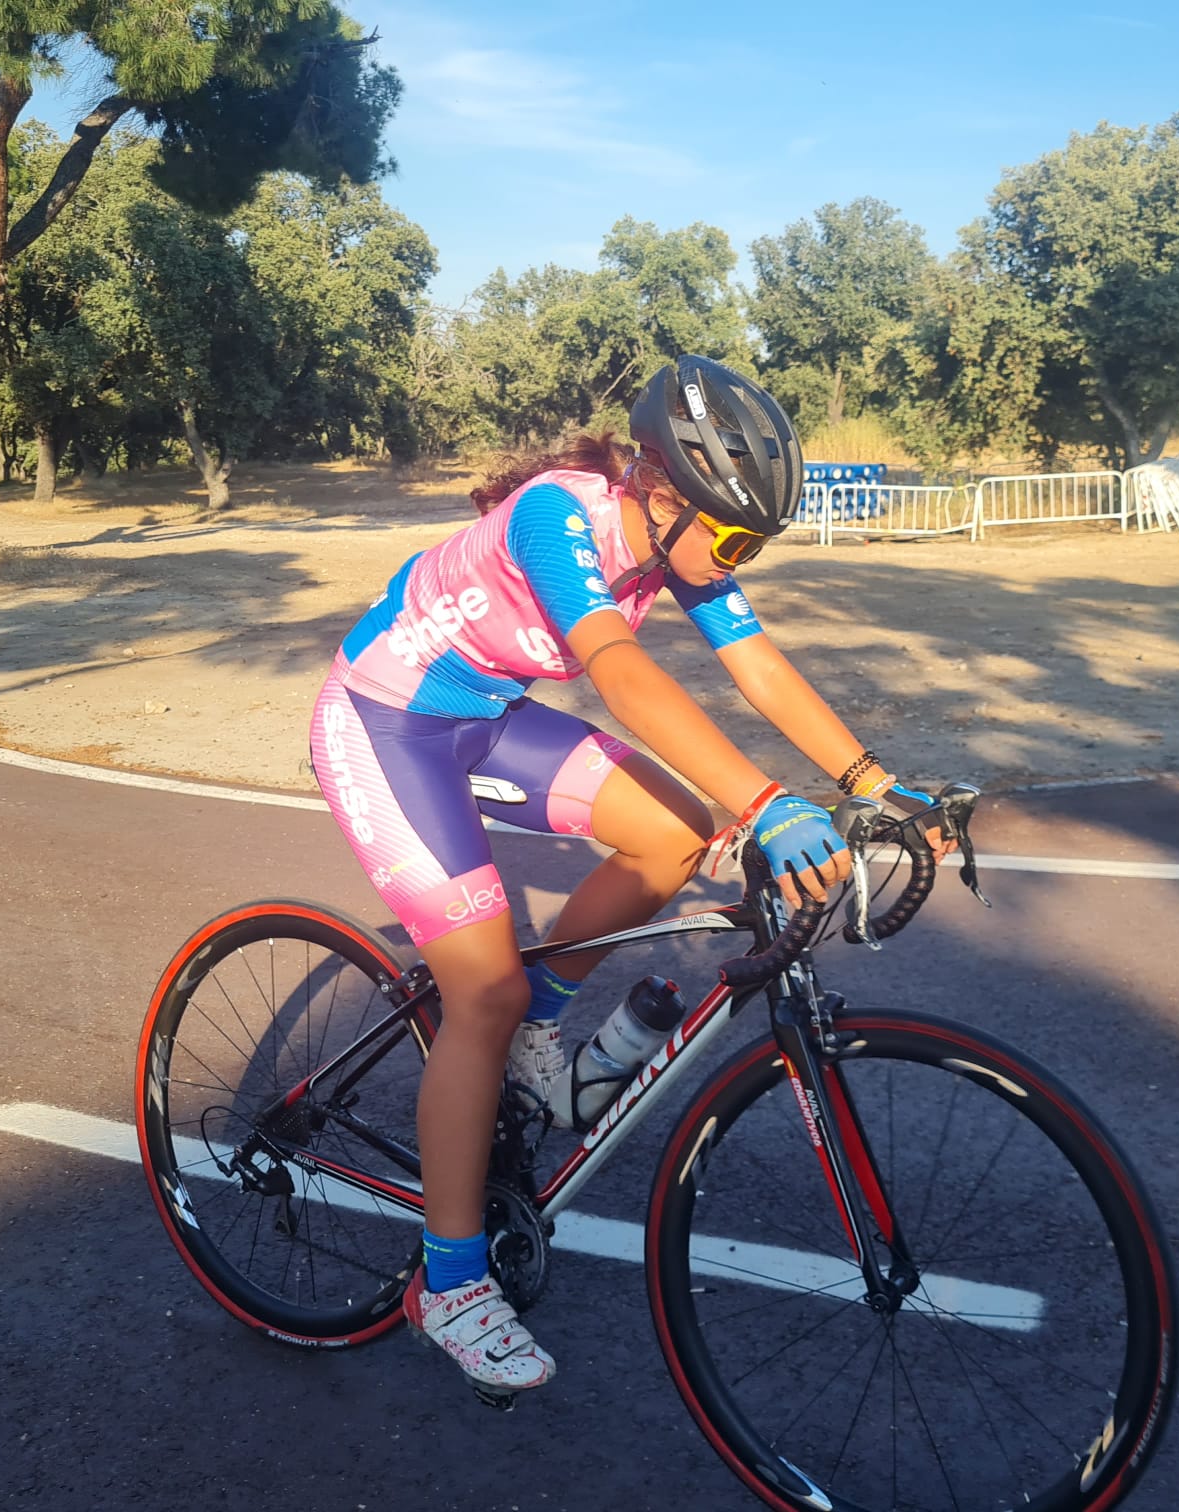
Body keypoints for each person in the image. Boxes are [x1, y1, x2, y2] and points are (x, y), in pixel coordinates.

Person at [310, 356, 934, 1397]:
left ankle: (534, 1045)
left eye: (752, 543)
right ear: (658, 484)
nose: (735, 560)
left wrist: (878, 781)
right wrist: (766, 803)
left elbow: (760, 662)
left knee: (672, 838)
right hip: (385, 723)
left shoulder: (677, 539)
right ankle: (449, 1282)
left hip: (485, 717)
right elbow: (623, 674)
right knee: (485, 992)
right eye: (731, 536)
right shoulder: (559, 518)